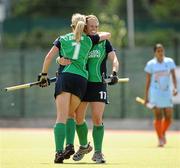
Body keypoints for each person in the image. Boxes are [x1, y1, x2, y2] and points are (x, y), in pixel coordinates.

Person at [37, 13, 111, 164]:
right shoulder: (89, 40)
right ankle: (71, 145)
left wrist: (43, 75)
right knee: (71, 114)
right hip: (81, 80)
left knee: (62, 117)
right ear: (84, 27)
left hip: (64, 77)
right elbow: (106, 34)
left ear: (71, 25)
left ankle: (60, 151)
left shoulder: (62, 39)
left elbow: (48, 58)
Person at [57, 14, 119, 163]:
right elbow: (63, 57)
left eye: (96, 26)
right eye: (91, 26)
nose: (94, 29)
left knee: (97, 118)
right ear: (84, 27)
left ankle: (98, 152)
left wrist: (114, 72)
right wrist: (60, 60)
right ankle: (84, 146)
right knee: (78, 118)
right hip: (82, 83)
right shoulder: (80, 41)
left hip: (98, 84)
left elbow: (114, 59)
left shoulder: (103, 42)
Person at [144, 43, 178, 147]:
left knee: (168, 117)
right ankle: (160, 139)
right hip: (155, 93)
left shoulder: (169, 62)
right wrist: (146, 97)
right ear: (155, 52)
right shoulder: (151, 64)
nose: (160, 53)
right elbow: (148, 81)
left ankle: (162, 133)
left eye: (162, 50)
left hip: (167, 93)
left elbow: (173, 76)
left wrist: (175, 88)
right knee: (158, 116)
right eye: (158, 51)